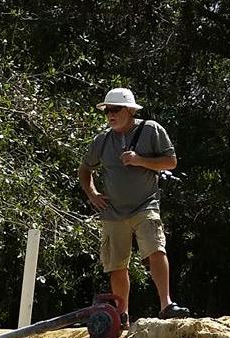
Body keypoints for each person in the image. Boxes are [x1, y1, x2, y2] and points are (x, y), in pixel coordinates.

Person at [78, 87, 191, 323]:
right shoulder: (102, 139)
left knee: (156, 249)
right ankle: (121, 315)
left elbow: (171, 162)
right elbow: (85, 168)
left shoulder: (151, 130)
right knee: (116, 264)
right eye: (107, 110)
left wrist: (140, 160)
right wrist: (92, 193)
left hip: (145, 205)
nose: (110, 114)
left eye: (115, 109)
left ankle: (166, 304)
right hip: (112, 212)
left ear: (129, 110)